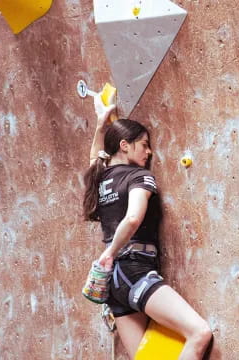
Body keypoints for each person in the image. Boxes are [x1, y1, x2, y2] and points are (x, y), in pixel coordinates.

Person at [82, 96, 212, 360]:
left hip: (114, 285)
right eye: (144, 145)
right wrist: (110, 252)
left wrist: (100, 123)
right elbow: (132, 220)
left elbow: (95, 157)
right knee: (200, 332)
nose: (149, 152)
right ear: (124, 146)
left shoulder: (102, 178)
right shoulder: (139, 177)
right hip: (135, 270)